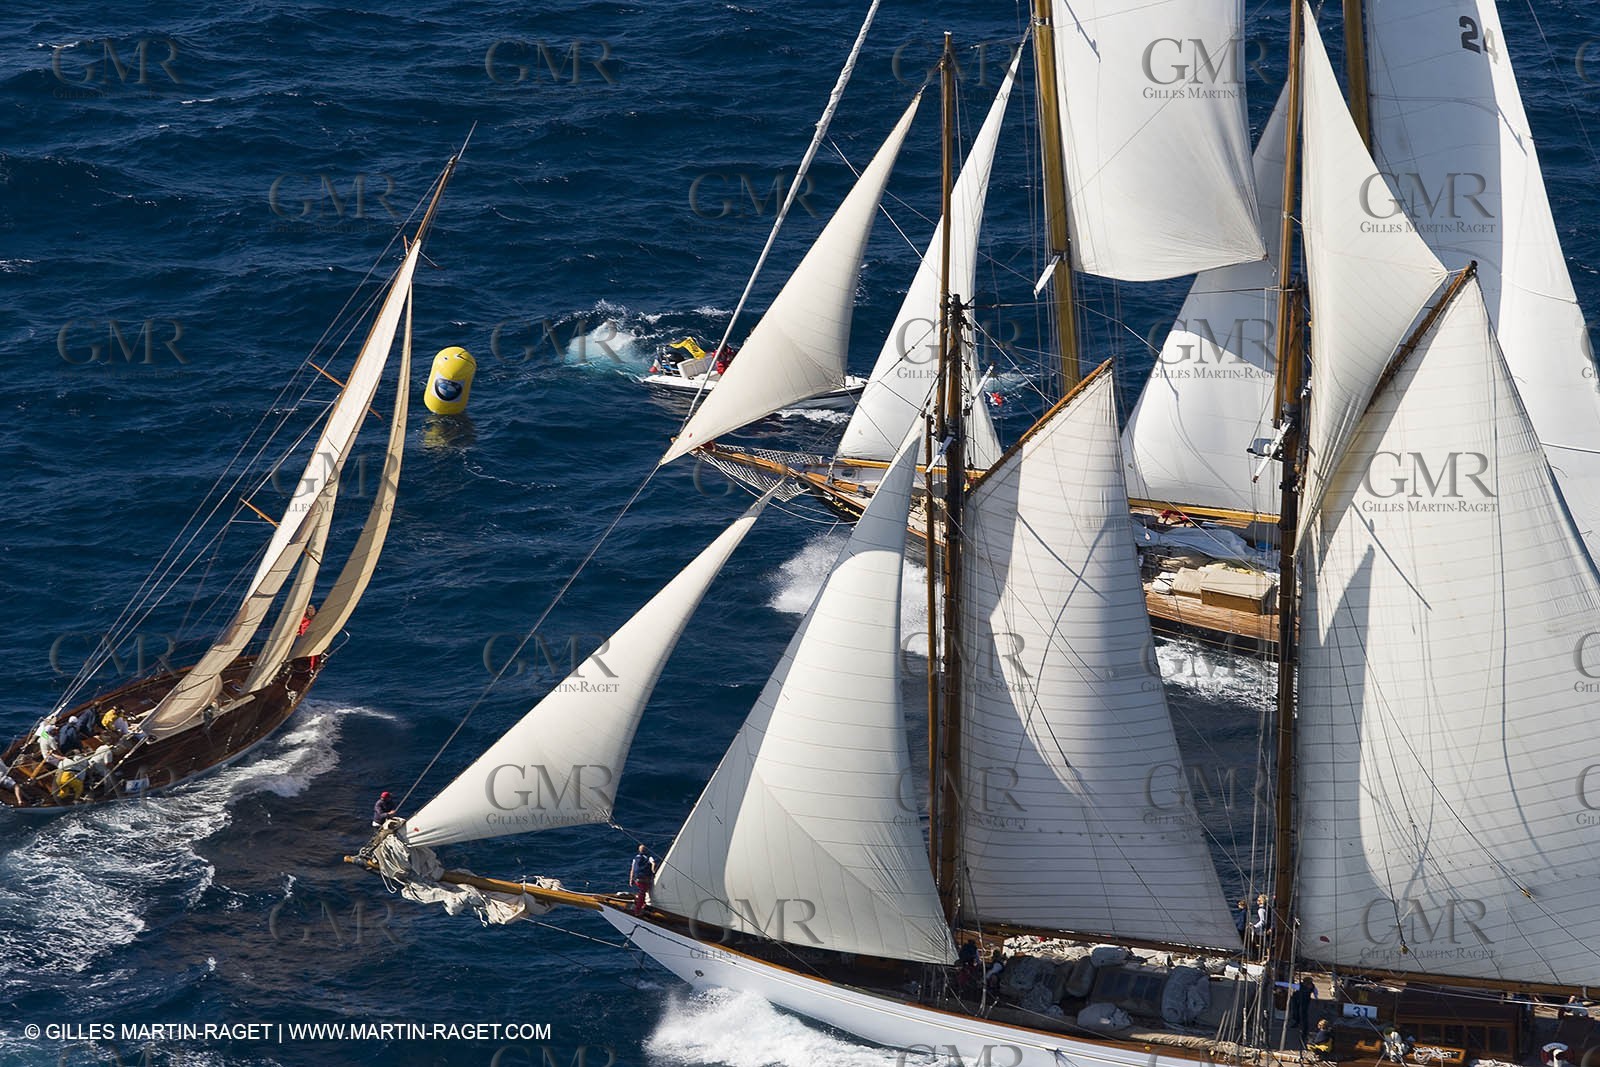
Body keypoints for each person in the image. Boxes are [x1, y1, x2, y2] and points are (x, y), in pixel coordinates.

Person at [629, 844, 656, 916]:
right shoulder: (649, 857)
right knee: (642, 894)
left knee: (641, 892)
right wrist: (653, 871)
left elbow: (632, 869)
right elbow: (653, 863)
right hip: (645, 879)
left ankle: (642, 904)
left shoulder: (635, 858)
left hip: (636, 879)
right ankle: (637, 911)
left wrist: (631, 879)